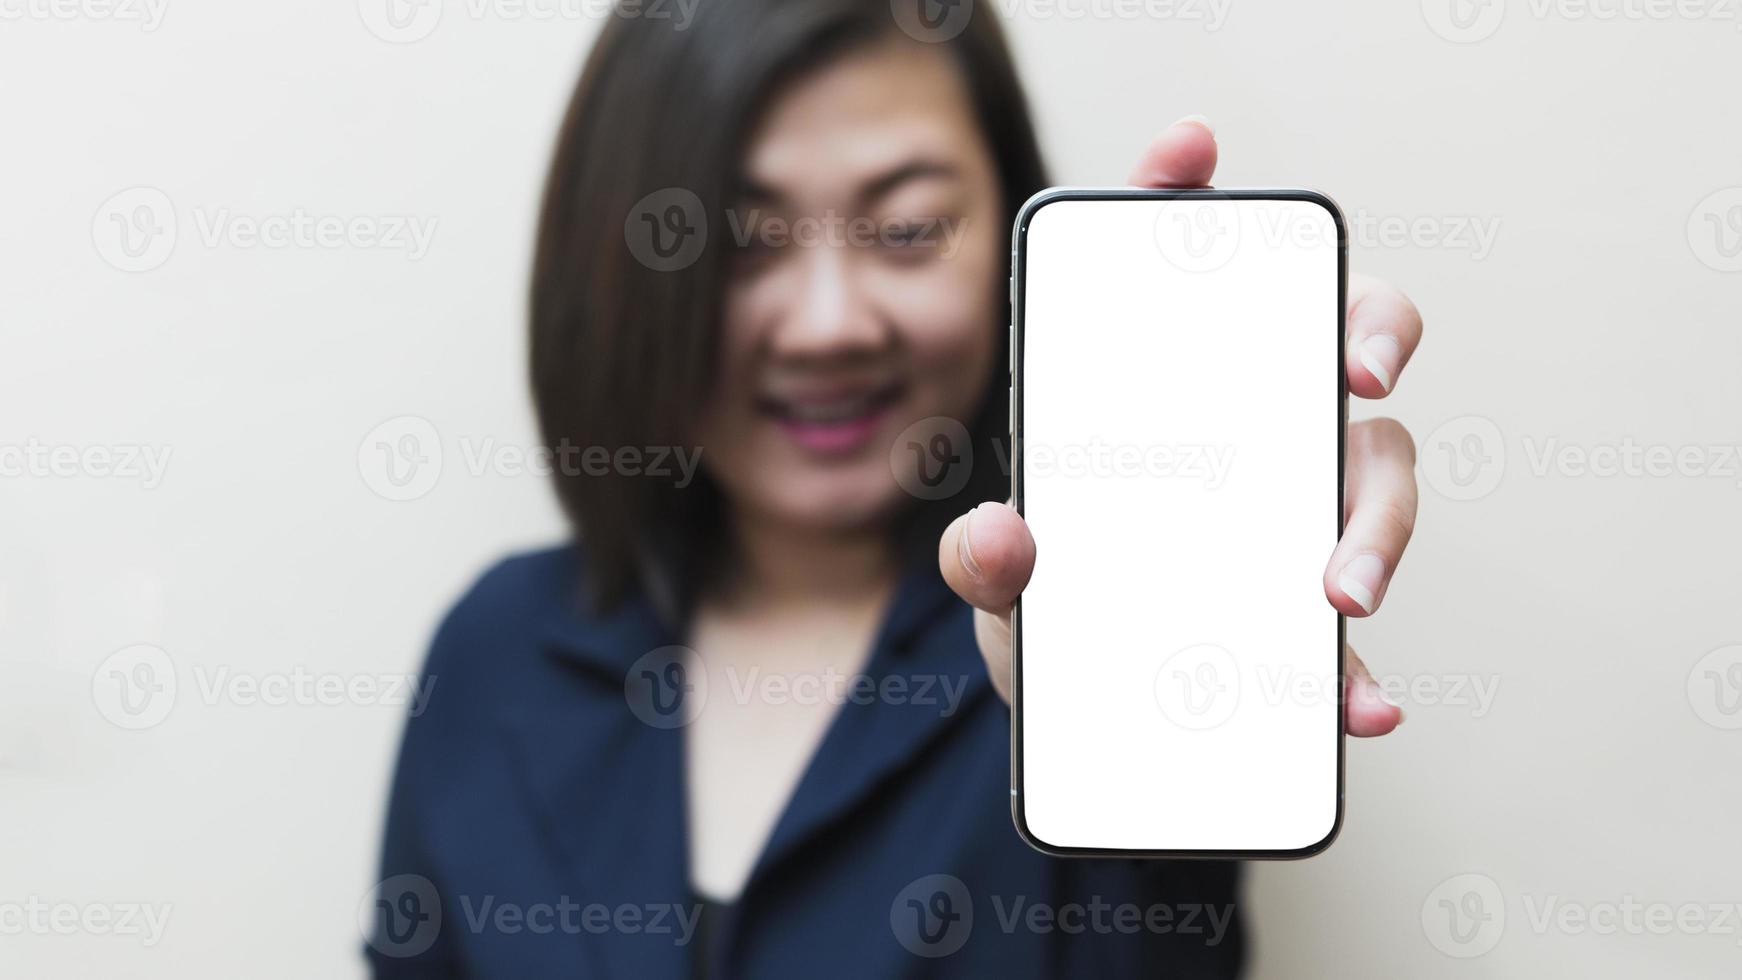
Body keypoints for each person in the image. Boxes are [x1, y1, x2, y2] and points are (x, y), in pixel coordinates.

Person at [369, 0, 1421, 975]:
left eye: (908, 229)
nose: (830, 324)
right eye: (740, 239)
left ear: (1011, 236)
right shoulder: (492, 654)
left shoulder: (1078, 651)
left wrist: (1174, 586)